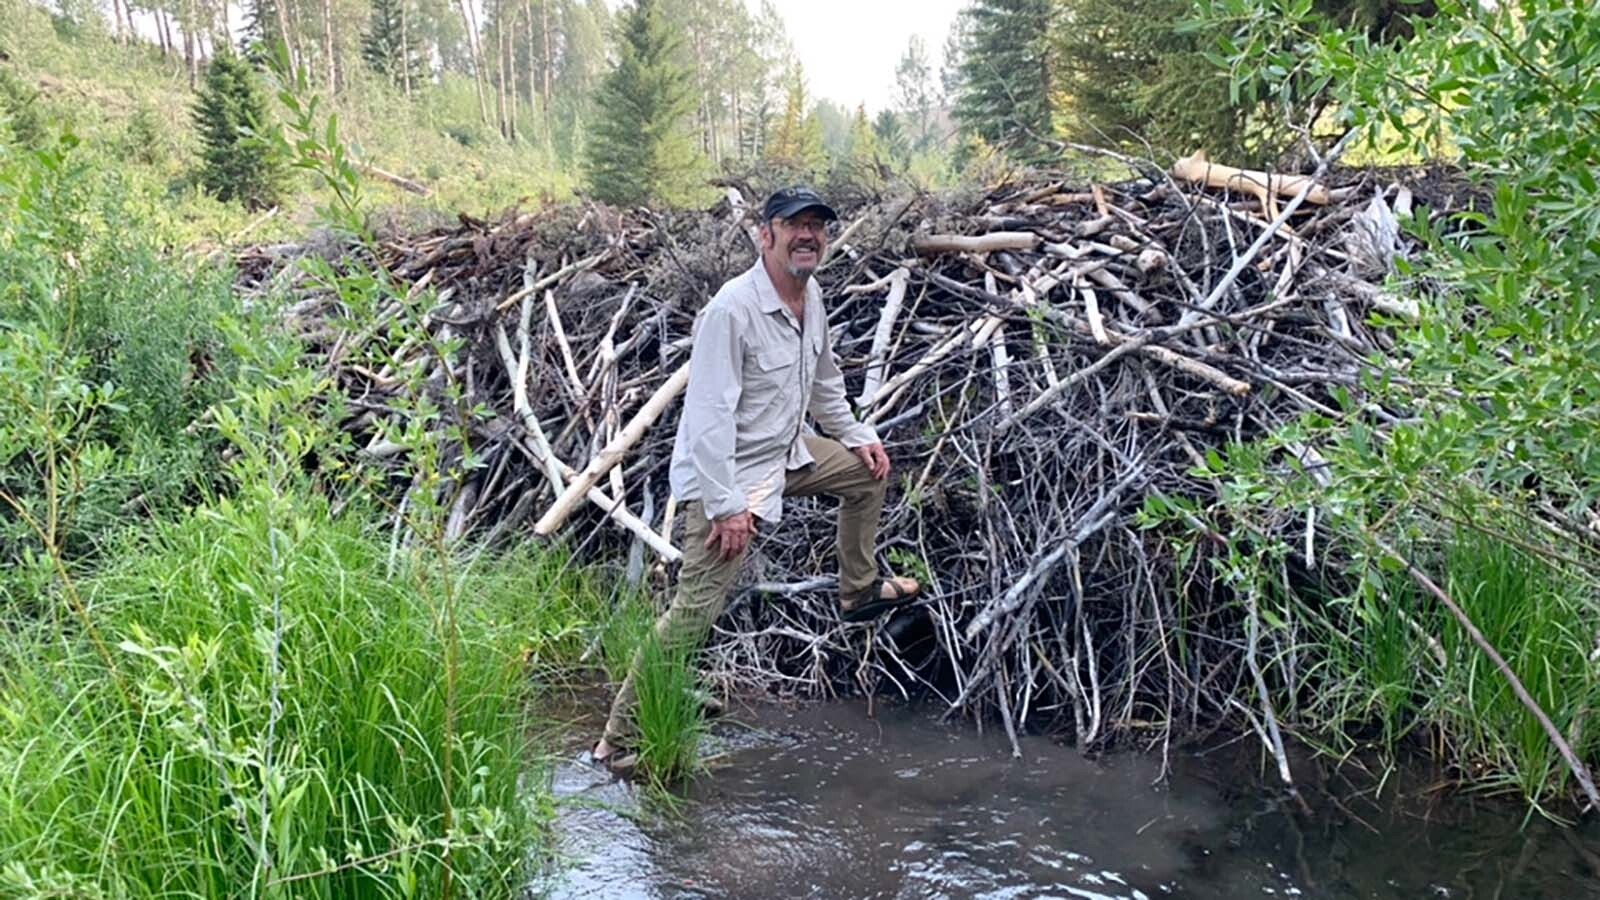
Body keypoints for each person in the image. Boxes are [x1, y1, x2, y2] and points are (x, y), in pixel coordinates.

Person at [592, 186, 920, 769]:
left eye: (817, 226)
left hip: (786, 454)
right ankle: (617, 740)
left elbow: (823, 385)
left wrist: (858, 435)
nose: (808, 236)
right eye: (795, 225)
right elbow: (709, 418)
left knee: (865, 477)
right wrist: (725, 505)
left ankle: (858, 592)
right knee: (695, 609)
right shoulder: (731, 309)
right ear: (766, 234)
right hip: (729, 474)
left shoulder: (809, 295)